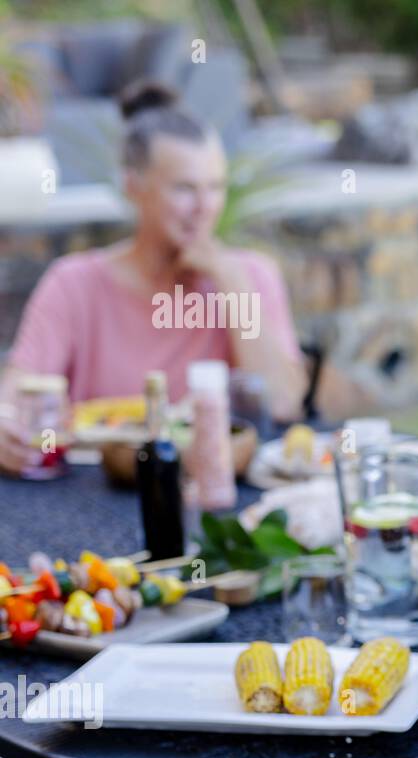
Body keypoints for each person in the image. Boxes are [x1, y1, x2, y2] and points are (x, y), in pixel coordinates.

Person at [0, 80, 307, 476]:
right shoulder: (73, 283)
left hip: (213, 490)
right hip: (97, 489)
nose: (204, 207)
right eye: (185, 189)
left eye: (215, 187)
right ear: (133, 187)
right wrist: (7, 424)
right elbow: (18, 393)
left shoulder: (251, 276)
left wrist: (231, 281)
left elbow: (281, 404)